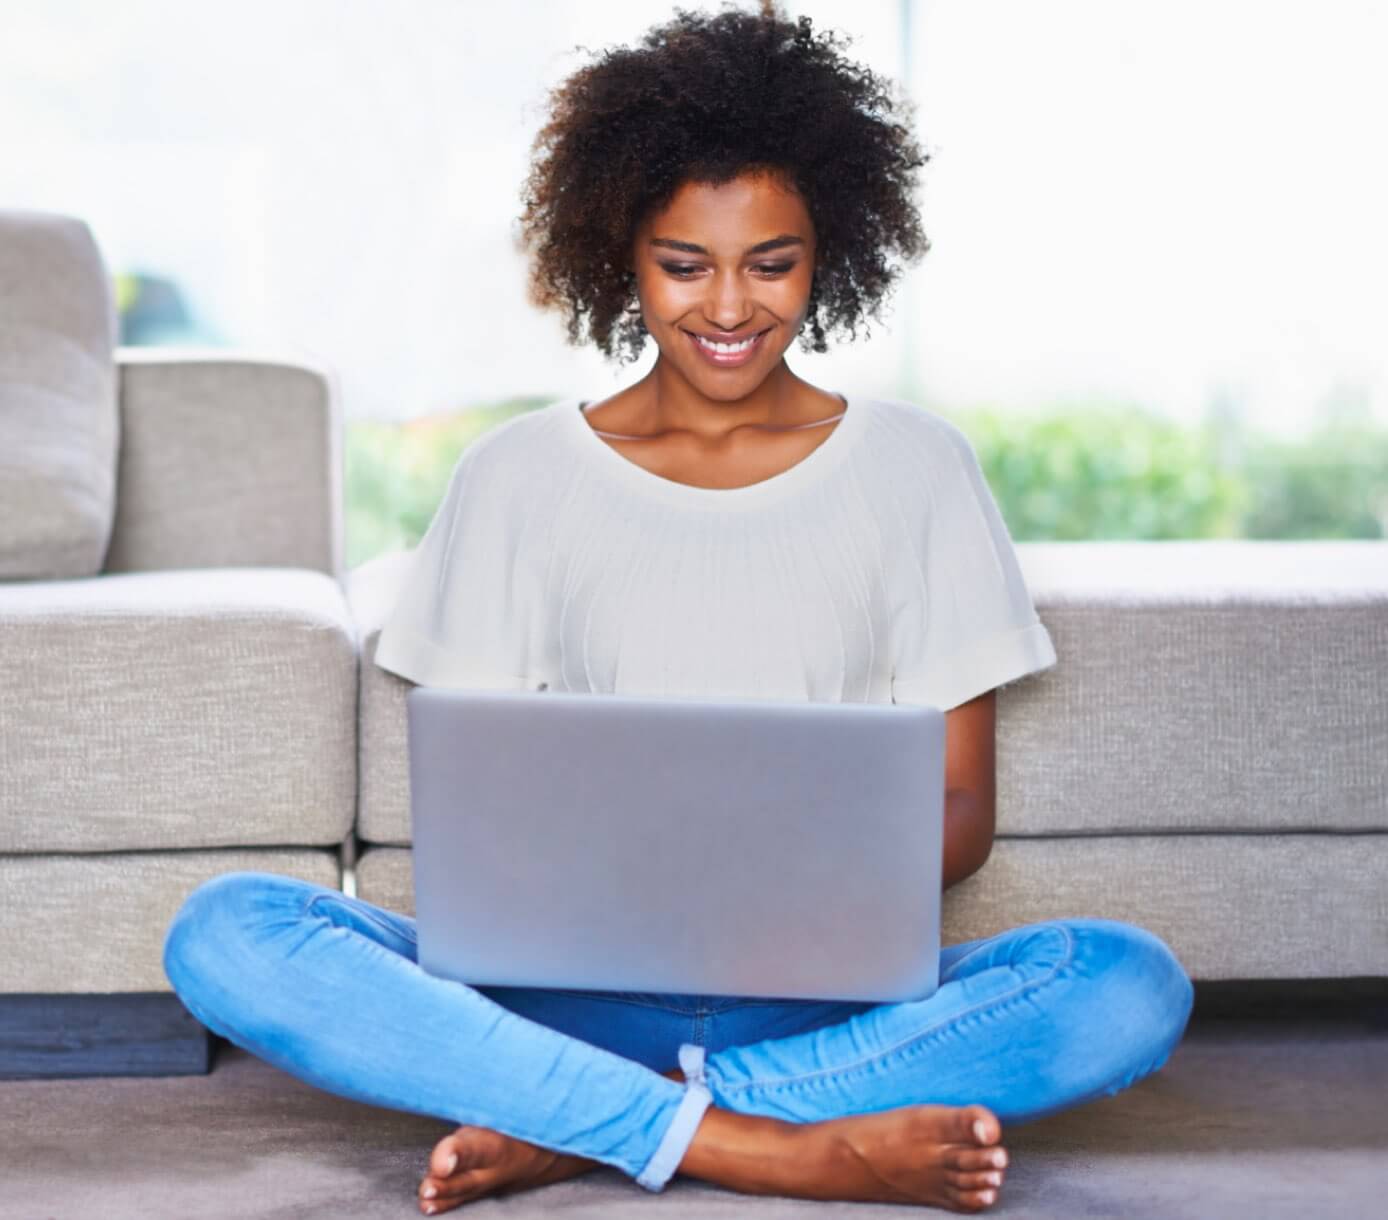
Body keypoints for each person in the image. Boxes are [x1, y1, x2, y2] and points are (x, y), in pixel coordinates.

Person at [161, 3, 1194, 1213]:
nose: (727, 307)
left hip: (828, 983)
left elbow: (960, 809)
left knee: (1126, 983)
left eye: (772, 261)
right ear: (620, 256)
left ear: (830, 253)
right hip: (566, 983)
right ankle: (766, 1137)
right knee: (226, 929)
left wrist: (796, 885)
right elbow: (475, 821)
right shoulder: (515, 475)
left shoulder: (917, 468)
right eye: (682, 263)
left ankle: (582, 1116)